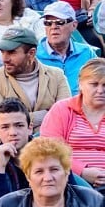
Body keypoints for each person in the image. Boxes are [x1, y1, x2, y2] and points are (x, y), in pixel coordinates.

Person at [0, 27, 71, 138]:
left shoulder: (57, 76)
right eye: (2, 52)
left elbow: (65, 117)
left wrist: (19, 121)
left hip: (51, 147)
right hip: (10, 151)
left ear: (31, 53)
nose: (5, 59)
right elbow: (0, 124)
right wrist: (46, 114)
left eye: (11, 52)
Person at [40, 58, 105, 187]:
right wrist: (81, 171)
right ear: (80, 84)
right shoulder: (62, 109)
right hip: (71, 181)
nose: (100, 90)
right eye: (94, 84)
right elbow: (50, 151)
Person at [37, 1, 97, 95]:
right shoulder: (33, 56)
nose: (53, 27)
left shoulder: (86, 52)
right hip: (48, 108)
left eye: (60, 22)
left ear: (74, 25)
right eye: (48, 23)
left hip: (82, 106)